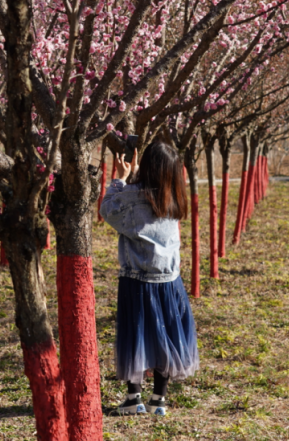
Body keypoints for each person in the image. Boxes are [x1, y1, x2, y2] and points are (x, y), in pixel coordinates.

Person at [100, 140, 199, 417]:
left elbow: (107, 210)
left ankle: (134, 398)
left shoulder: (132, 196)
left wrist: (119, 180)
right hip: (170, 281)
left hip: (138, 280)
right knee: (165, 336)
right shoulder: (175, 198)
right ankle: (159, 400)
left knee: (136, 336)